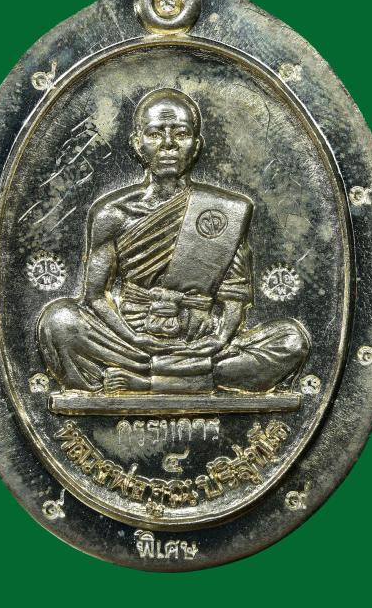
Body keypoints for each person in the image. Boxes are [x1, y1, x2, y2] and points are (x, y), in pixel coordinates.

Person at [37, 88, 310, 395]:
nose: (168, 144)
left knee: (290, 341)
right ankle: (188, 378)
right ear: (137, 144)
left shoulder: (222, 210)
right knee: (59, 322)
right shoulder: (112, 214)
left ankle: (148, 381)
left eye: (181, 134)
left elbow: (234, 298)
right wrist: (135, 338)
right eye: (155, 134)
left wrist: (219, 339)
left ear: (196, 145)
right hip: (131, 340)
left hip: (199, 341)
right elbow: (96, 296)